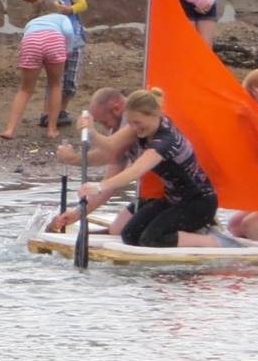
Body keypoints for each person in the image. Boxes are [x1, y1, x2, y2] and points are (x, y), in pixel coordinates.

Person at [69, 88, 220, 248]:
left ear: (155, 115)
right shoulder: (143, 127)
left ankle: (214, 243)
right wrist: (91, 132)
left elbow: (136, 170)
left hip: (199, 203)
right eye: (131, 123)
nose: (134, 128)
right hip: (173, 199)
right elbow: (111, 146)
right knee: (130, 235)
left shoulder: (166, 141)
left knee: (151, 239)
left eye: (137, 123)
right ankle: (191, 233)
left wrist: (99, 186)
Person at [1, 0, 73, 142]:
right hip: (54, 41)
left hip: (31, 42)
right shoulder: (61, 18)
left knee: (25, 89)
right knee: (55, 85)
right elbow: (68, 31)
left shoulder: (31, 22)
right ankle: (52, 129)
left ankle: (10, 129)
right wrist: (68, 49)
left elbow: (25, 38)